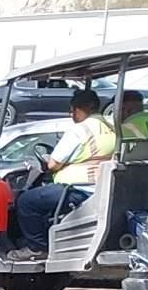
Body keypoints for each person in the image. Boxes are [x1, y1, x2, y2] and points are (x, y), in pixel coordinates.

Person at [13, 89, 116, 254]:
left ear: (87, 107)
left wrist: (48, 160)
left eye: (74, 109)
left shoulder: (80, 130)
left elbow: (53, 164)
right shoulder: (111, 128)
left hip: (77, 190)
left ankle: (37, 248)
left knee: (26, 201)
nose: (71, 114)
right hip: (100, 189)